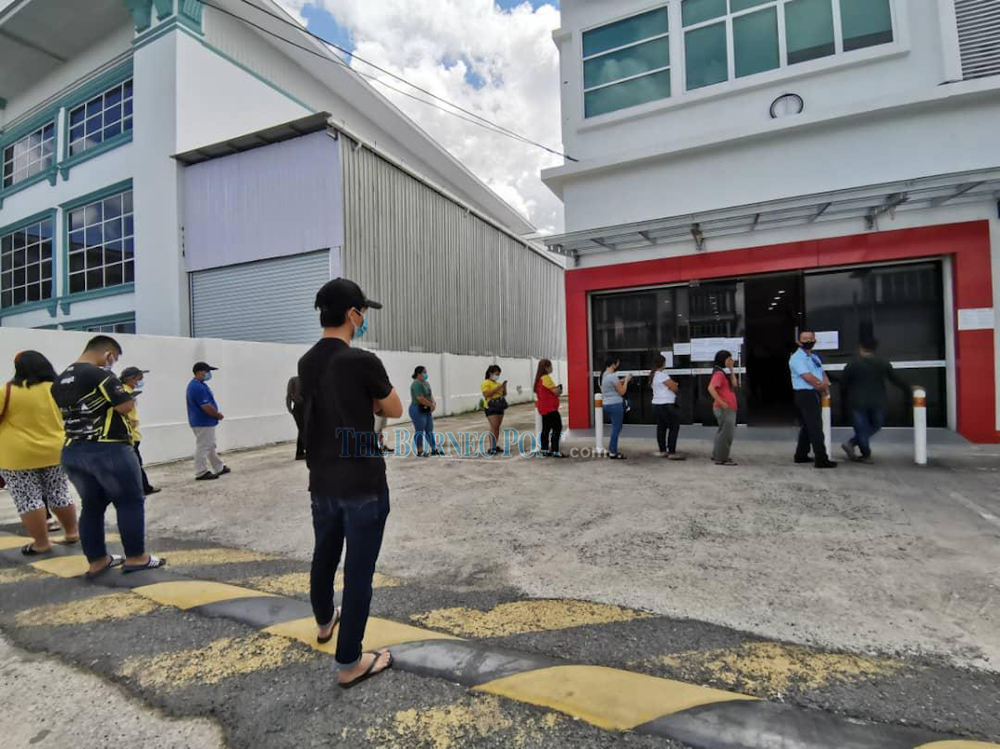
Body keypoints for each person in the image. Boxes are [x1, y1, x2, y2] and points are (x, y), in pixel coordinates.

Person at [298, 278, 402, 688]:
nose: (363, 319)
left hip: (321, 480)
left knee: (324, 555)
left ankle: (325, 622)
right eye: (363, 312)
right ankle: (350, 663)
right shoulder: (361, 360)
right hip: (362, 481)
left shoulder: (306, 362)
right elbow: (393, 407)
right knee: (358, 572)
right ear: (352, 314)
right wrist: (371, 400)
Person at [51, 336, 166, 577]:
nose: (112, 363)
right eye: (114, 358)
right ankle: (136, 557)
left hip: (73, 450)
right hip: (109, 449)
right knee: (129, 501)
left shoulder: (59, 380)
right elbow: (124, 406)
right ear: (108, 354)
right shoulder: (99, 375)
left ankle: (98, 561)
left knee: (92, 505)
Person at [0, 351, 79, 555]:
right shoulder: (58, 389)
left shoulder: (7, 391)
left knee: (28, 499)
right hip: (55, 451)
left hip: (18, 456)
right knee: (59, 492)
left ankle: (42, 543)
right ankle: (72, 533)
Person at [841, 338, 912, 464]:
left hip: (857, 401)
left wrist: (844, 399)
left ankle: (860, 449)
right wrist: (910, 389)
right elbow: (896, 379)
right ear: (875, 349)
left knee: (861, 428)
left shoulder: (852, 364)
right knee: (876, 425)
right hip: (877, 401)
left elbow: (844, 383)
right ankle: (856, 446)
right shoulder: (883, 363)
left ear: (861, 348)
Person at [789, 331, 837, 469]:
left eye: (810, 338)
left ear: (815, 340)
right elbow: (807, 376)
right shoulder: (797, 358)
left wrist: (826, 384)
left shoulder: (814, 357)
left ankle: (801, 455)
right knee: (816, 427)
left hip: (813, 393)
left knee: (807, 426)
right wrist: (821, 387)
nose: (808, 341)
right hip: (805, 394)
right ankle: (821, 459)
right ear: (799, 341)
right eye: (805, 339)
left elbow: (821, 372)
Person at [186, 361, 230, 481]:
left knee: (210, 445)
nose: (209, 374)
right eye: (207, 371)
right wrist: (217, 415)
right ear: (200, 372)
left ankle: (219, 467)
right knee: (203, 446)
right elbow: (205, 406)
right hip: (203, 421)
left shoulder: (198, 385)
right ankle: (201, 472)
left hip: (203, 421)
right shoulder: (198, 387)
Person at [120, 366, 159, 495]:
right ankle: (142, 488)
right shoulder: (125, 393)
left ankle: (143, 487)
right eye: (138, 379)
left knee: (135, 464)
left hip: (133, 434)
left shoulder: (127, 391)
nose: (139, 382)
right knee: (135, 465)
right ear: (130, 379)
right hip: (130, 435)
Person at [707, 350, 739, 466]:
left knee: (722, 432)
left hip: (728, 407)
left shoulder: (723, 372)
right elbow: (711, 388)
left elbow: (735, 383)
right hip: (724, 408)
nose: (731, 361)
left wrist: (731, 369)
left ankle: (718, 454)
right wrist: (721, 402)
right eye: (729, 359)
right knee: (726, 434)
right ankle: (721, 458)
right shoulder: (719, 374)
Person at [650, 354, 684, 460]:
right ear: (663, 363)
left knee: (661, 427)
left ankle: (663, 450)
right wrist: (675, 385)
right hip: (667, 404)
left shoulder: (653, 375)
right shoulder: (662, 375)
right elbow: (674, 387)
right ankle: (672, 452)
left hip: (657, 404)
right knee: (674, 427)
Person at [601, 358, 631, 459]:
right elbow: (622, 392)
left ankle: (611, 449)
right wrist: (626, 380)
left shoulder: (605, 374)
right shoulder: (613, 376)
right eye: (617, 363)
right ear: (613, 364)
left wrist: (622, 380)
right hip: (615, 405)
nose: (618, 365)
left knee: (615, 427)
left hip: (606, 404)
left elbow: (613, 384)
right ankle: (613, 451)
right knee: (616, 428)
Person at [534, 359, 564, 457]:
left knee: (546, 429)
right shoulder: (546, 378)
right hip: (550, 408)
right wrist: (559, 389)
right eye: (550, 366)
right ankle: (555, 450)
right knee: (557, 428)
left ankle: (545, 449)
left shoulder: (539, 379)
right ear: (546, 368)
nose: (552, 368)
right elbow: (555, 392)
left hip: (543, 408)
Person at [409, 366, 440, 457]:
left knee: (429, 429)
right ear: (419, 374)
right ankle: (420, 450)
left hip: (426, 408)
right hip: (418, 409)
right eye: (424, 372)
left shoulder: (426, 383)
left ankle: (434, 448)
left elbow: (430, 395)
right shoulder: (416, 384)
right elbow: (420, 398)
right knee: (419, 430)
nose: (426, 374)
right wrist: (431, 405)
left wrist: (433, 403)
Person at [481, 364, 508, 456]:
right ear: (490, 373)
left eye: (498, 374)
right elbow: (486, 394)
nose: (497, 376)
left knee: (497, 427)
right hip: (491, 406)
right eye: (496, 374)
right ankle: (491, 447)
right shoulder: (486, 383)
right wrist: (497, 389)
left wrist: (504, 387)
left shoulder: (498, 384)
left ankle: (495, 445)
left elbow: (503, 394)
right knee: (494, 426)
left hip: (499, 405)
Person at [286, 375, 306, 460]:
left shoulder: (294, 380)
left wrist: (291, 410)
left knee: (302, 430)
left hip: (298, 408)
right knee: (304, 430)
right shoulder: (301, 380)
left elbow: (288, 397)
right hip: (301, 407)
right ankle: (301, 452)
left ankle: (300, 452)